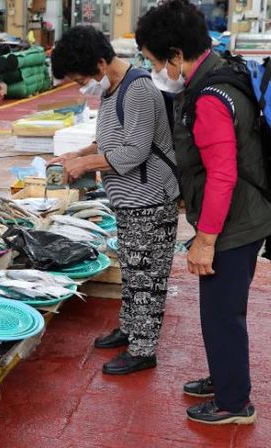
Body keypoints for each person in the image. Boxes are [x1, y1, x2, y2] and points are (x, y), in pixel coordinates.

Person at [136, 0, 271, 425]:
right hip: (244, 212)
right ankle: (225, 377)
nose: (157, 70)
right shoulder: (221, 72)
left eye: (156, 61)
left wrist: (206, 240)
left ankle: (234, 403)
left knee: (221, 313)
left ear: (176, 54)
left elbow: (223, 175)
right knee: (222, 309)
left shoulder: (210, 97)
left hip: (234, 221)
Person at [50, 26, 180, 375]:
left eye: (81, 79)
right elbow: (109, 140)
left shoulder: (138, 90)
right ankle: (130, 328)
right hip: (129, 199)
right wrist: (78, 154)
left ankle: (143, 349)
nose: (82, 87)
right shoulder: (112, 88)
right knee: (133, 270)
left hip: (150, 199)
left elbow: (134, 151)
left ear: (100, 64)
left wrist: (85, 165)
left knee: (148, 276)